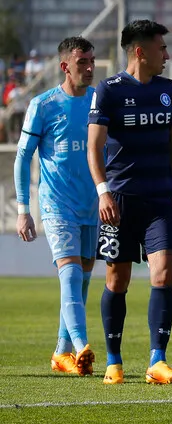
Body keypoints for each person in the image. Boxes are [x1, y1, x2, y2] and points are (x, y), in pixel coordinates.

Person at [87, 19, 172, 386]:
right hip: (120, 201)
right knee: (118, 278)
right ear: (141, 52)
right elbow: (94, 147)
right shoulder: (109, 90)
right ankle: (114, 361)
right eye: (162, 48)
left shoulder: (169, 90)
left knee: (164, 273)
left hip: (160, 200)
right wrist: (103, 192)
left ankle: (157, 361)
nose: (167, 56)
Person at [15, 37, 98, 377]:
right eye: (82, 62)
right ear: (65, 66)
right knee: (71, 273)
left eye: (92, 61)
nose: (90, 68)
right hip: (57, 204)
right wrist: (24, 209)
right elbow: (23, 157)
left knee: (84, 279)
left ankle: (62, 352)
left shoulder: (99, 102)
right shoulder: (44, 105)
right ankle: (82, 346)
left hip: (92, 204)